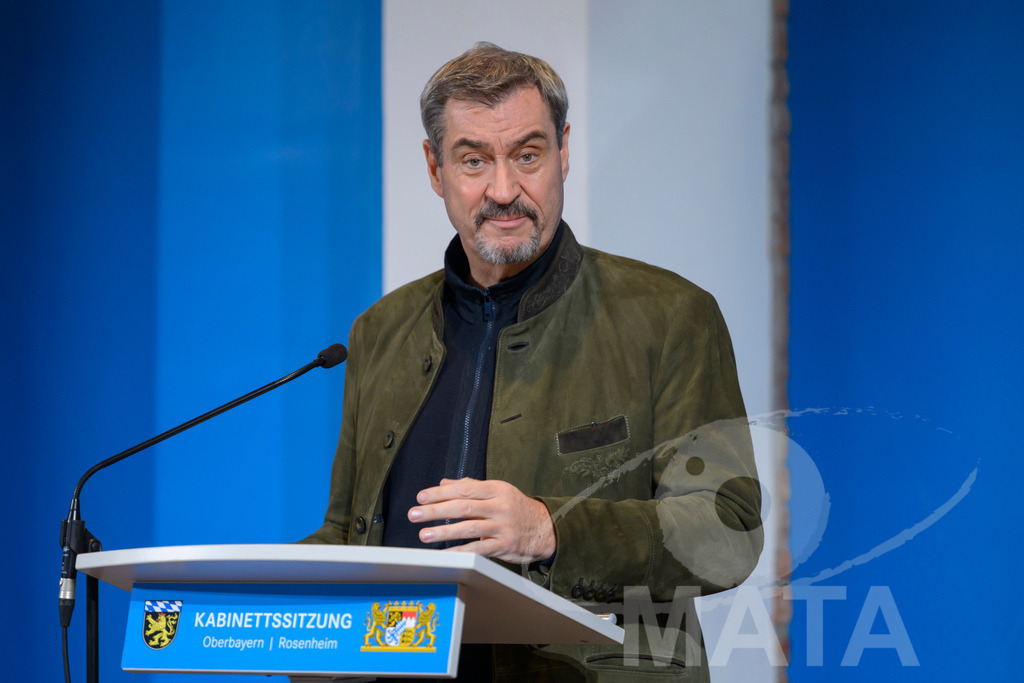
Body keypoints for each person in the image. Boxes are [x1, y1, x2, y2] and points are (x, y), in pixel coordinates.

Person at [304, 42, 763, 682]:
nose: (504, 189)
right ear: (434, 170)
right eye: (473, 160)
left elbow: (727, 531)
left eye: (527, 155)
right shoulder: (379, 332)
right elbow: (346, 536)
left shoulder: (671, 316)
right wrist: (249, 599)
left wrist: (551, 529)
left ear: (564, 152)